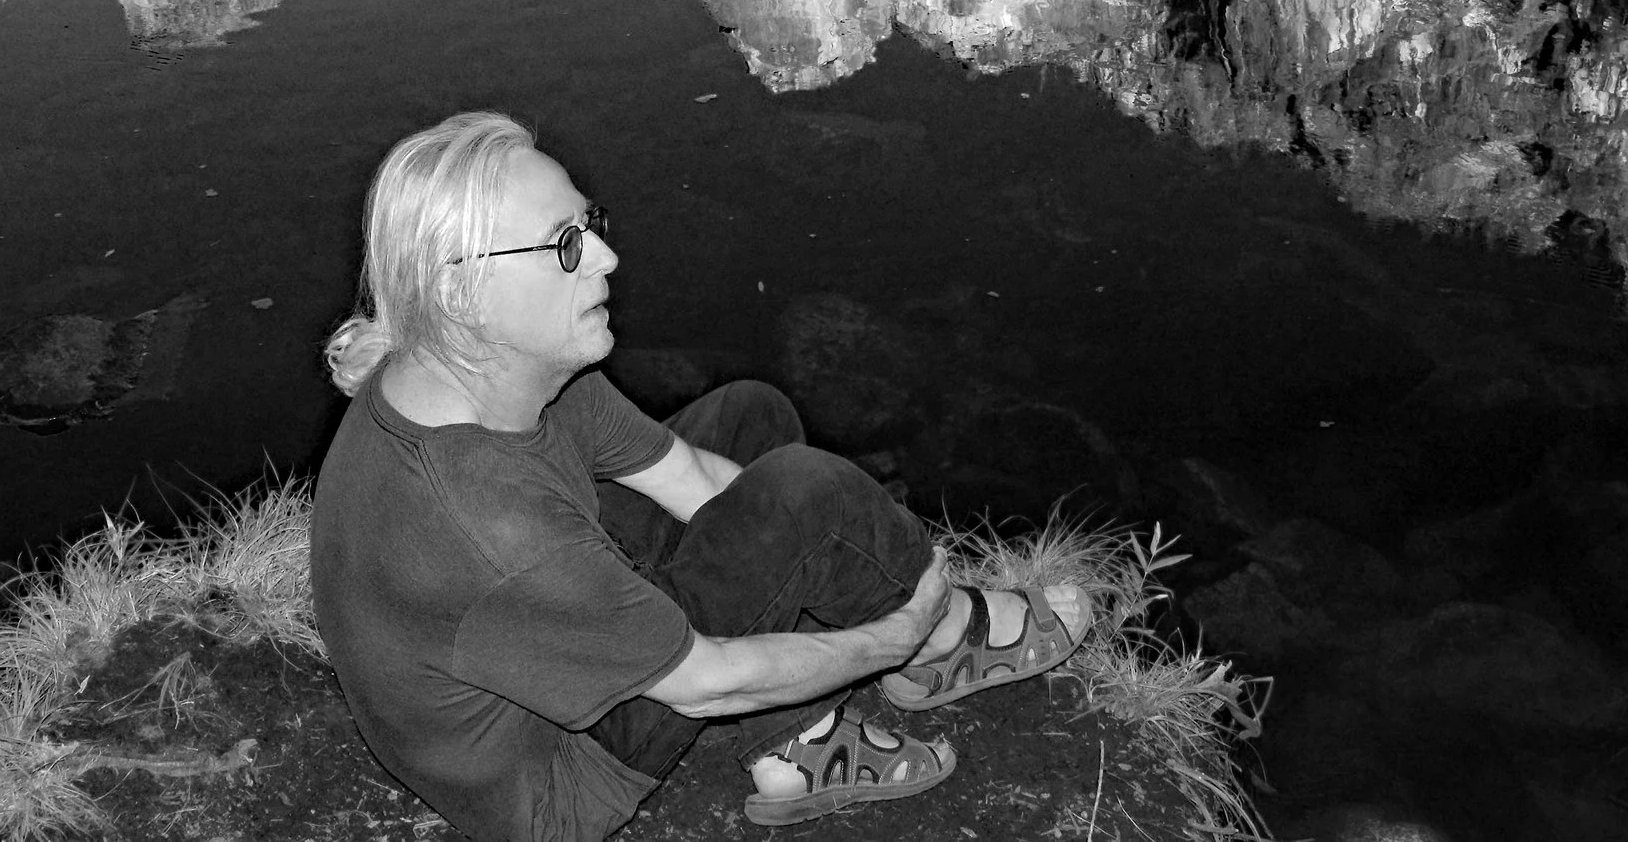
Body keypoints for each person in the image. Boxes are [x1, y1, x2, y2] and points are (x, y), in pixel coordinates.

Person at [310, 111, 1091, 840]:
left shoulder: (491, 370)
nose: (608, 256)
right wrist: (896, 630)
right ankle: (946, 639)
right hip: (554, 771)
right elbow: (707, 683)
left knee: (755, 421)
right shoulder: (487, 524)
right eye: (565, 245)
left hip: (540, 633)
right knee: (802, 496)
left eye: (591, 224)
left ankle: (795, 748)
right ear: (460, 291)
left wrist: (806, 553)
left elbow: (686, 471)